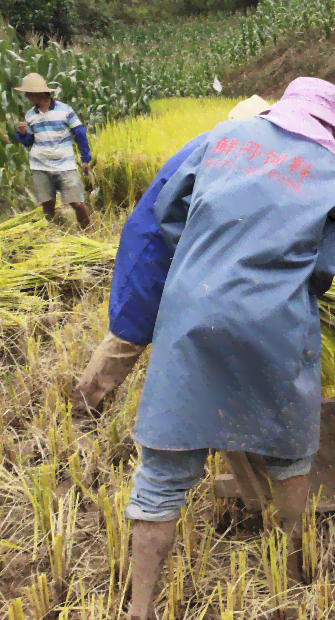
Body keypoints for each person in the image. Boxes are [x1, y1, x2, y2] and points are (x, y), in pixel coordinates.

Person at [124, 78, 335, 620]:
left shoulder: (221, 139)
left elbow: (165, 213)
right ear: (329, 128)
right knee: (289, 451)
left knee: (161, 475)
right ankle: (294, 572)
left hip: (190, 314)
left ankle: (140, 609)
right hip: (276, 324)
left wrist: (207, 262)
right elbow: (323, 271)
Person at [70, 96, 271, 419]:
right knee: (130, 333)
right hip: (155, 247)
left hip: (180, 249)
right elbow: (176, 213)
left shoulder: (233, 151)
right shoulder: (218, 151)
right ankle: (84, 408)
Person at [13, 73, 93, 229]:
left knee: (76, 203)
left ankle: (89, 231)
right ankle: (57, 234)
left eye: (29, 93)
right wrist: (21, 134)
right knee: (47, 205)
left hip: (65, 164)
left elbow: (80, 133)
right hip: (40, 166)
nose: (27, 96)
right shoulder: (30, 115)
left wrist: (85, 158)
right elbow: (30, 141)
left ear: (40, 93)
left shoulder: (64, 110)